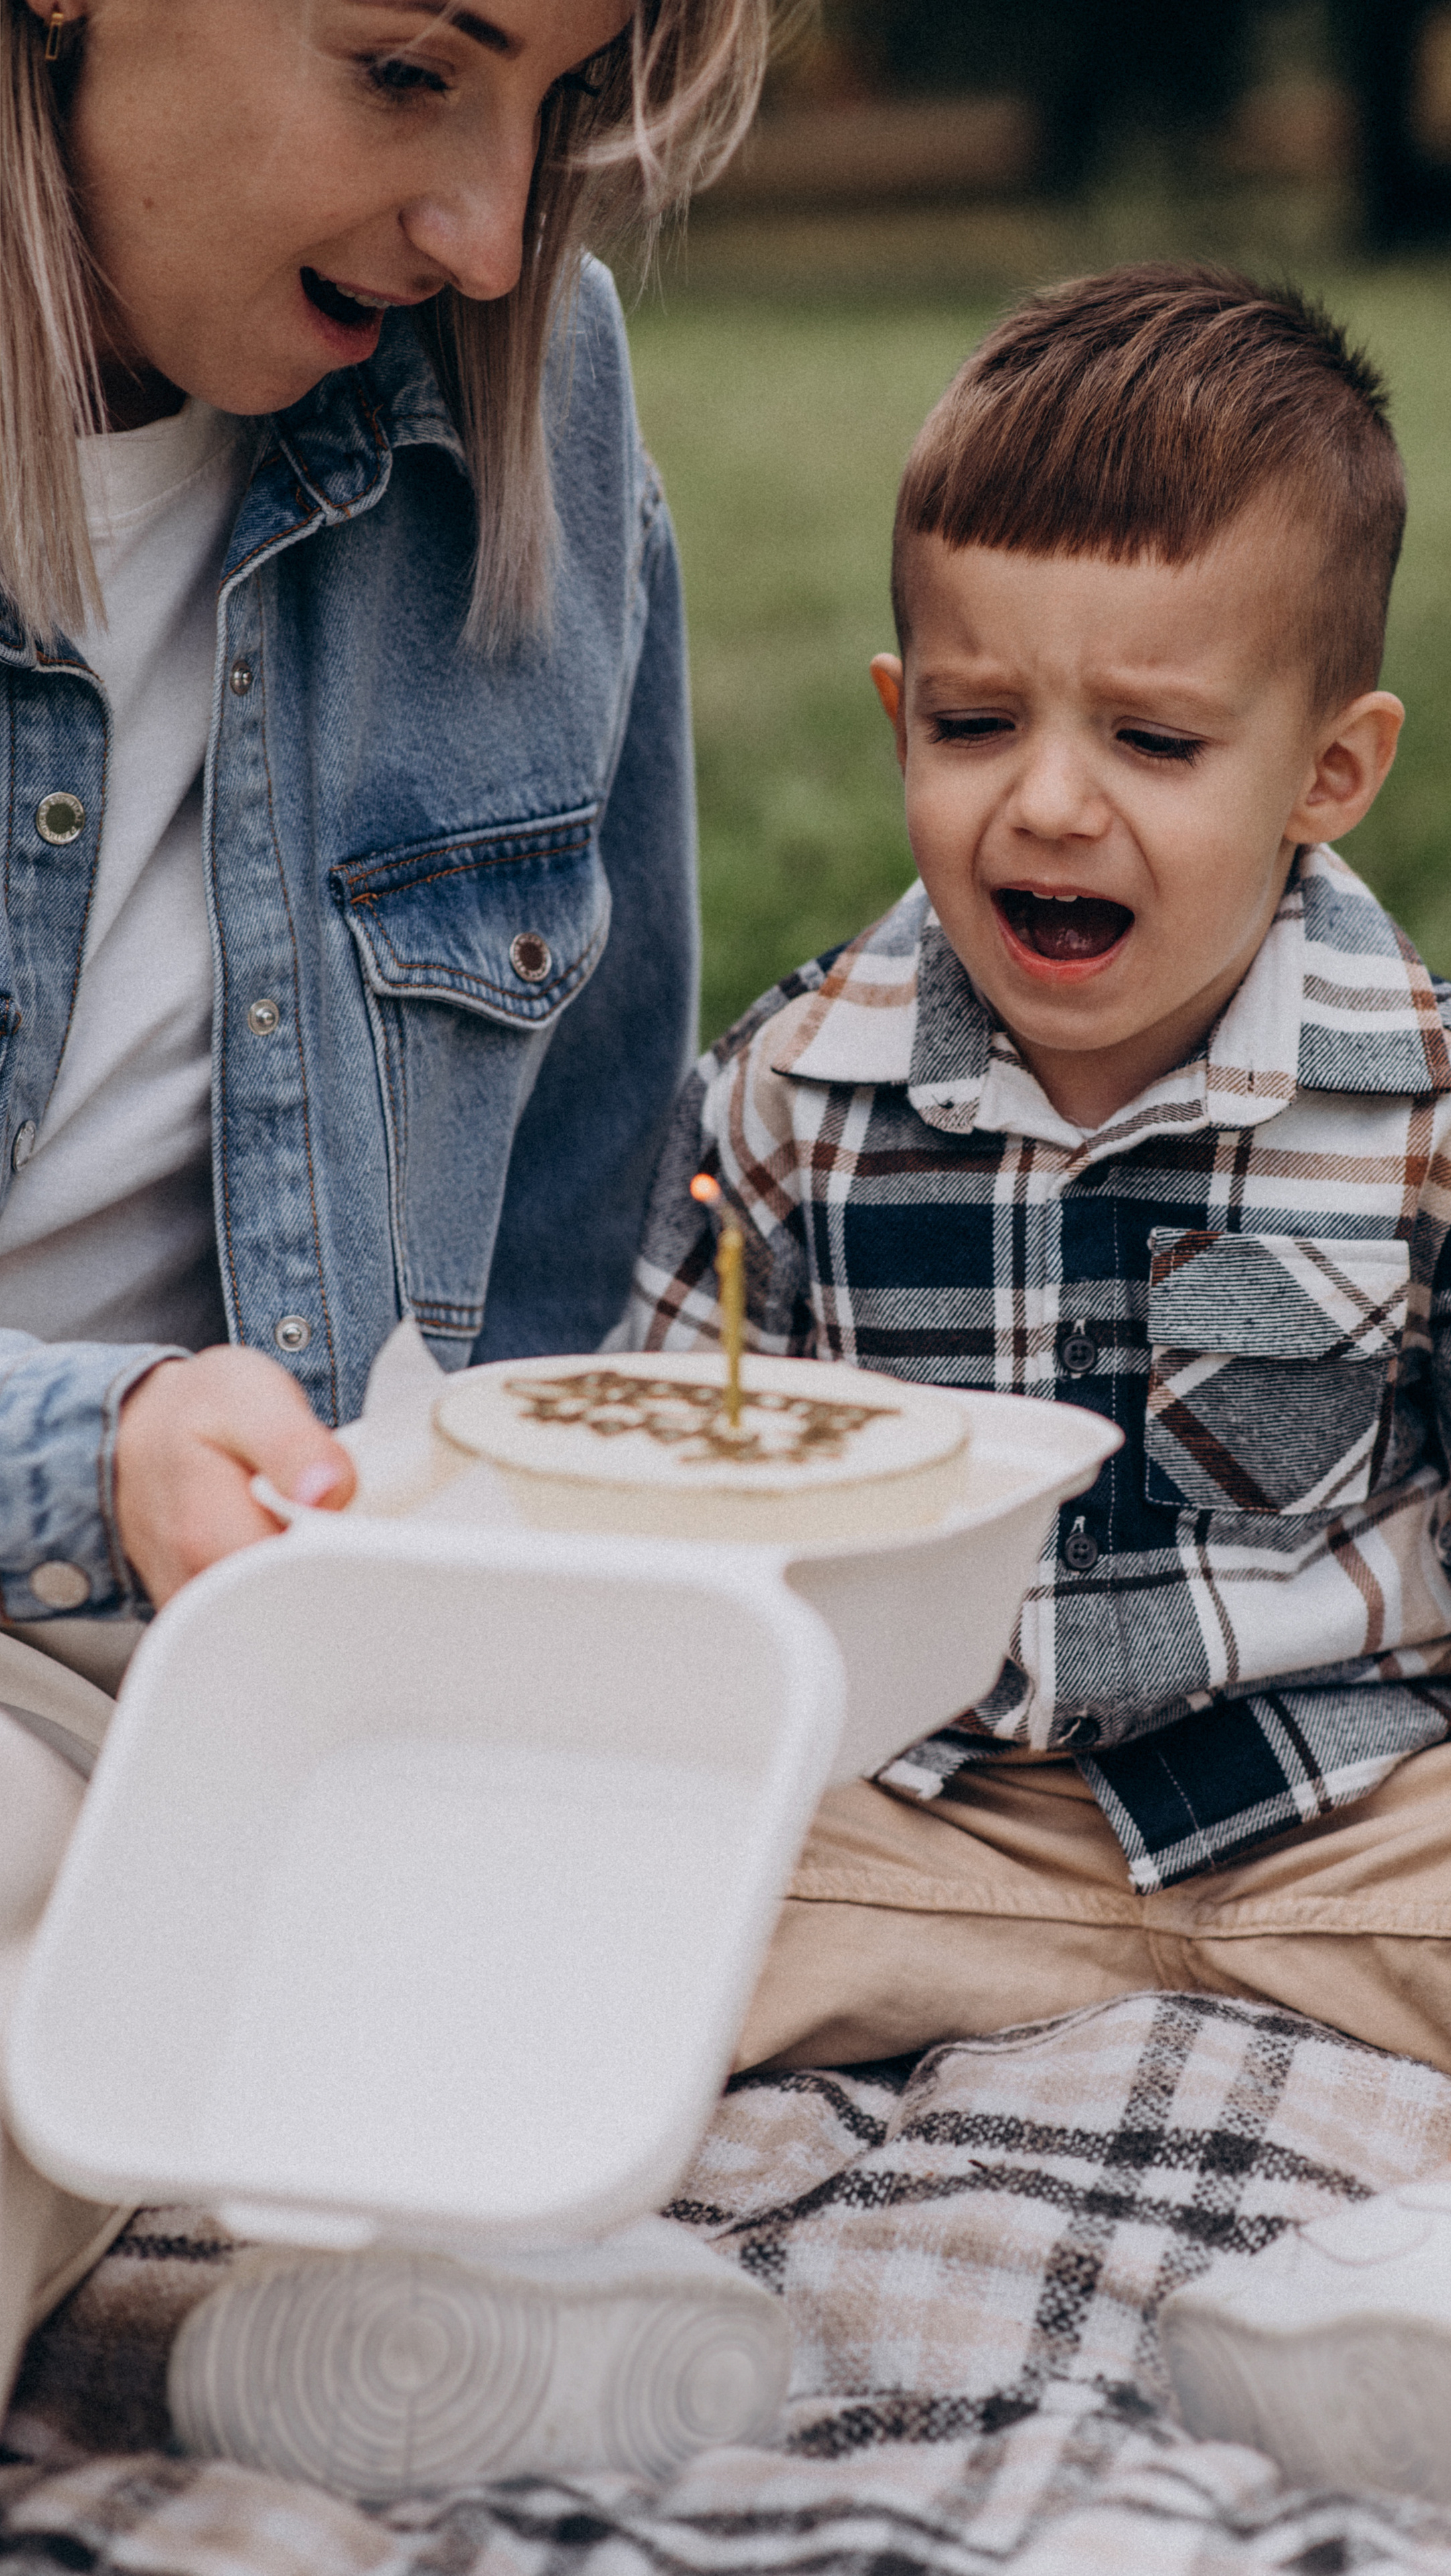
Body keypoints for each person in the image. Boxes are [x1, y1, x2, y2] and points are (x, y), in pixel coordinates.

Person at [629, 263, 1451, 2524]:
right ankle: (525, 2267)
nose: (1047, 807)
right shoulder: (799, 1095)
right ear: (893, 709)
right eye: (969, 721)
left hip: (1353, 1833)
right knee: (554, 1851)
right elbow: (680, 1452)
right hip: (926, 1832)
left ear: (1330, 770)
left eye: (1152, 739)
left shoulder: (1450, 1111)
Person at [0, 0, 771, 2413]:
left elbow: (562, 1208)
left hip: (233, 1687)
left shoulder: (533, 396)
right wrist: (85, 1452)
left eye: (556, 109)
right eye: (410, 73)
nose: (484, 230)